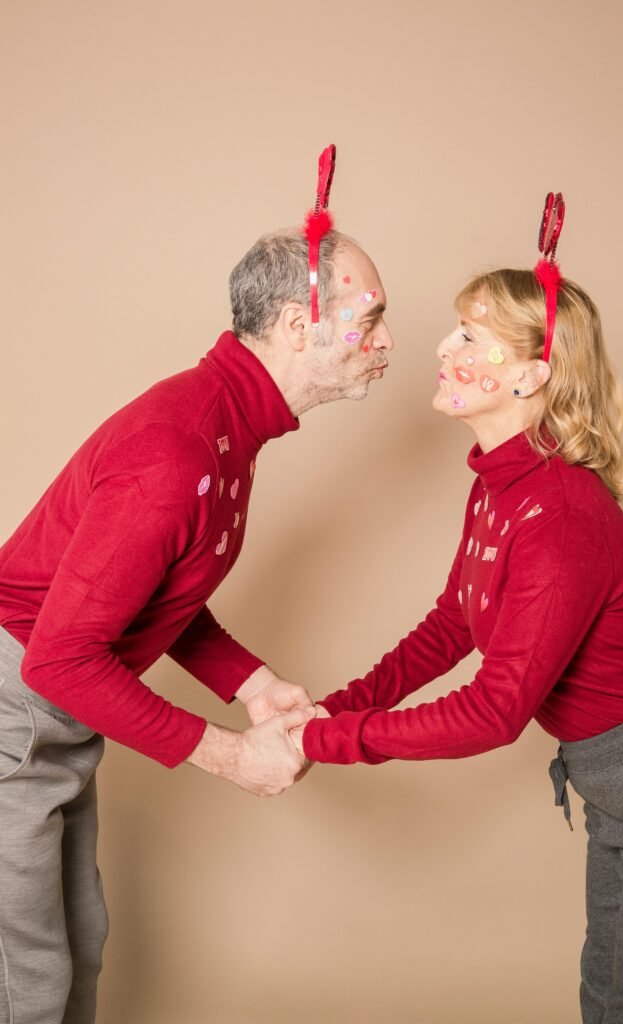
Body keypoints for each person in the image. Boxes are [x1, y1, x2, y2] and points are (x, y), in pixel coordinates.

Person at [0, 146, 394, 1024]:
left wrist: (255, 686)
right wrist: (230, 755)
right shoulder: (179, 448)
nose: (385, 343)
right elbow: (58, 661)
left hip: (49, 715)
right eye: (369, 320)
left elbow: (155, 587)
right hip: (21, 706)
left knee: (76, 948)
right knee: (24, 981)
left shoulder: (227, 425)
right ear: (298, 324)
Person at [293, 197, 623, 1024]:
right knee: (610, 997)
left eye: (468, 337)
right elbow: (450, 627)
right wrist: (334, 710)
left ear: (528, 375)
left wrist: (325, 741)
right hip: (621, 780)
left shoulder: (562, 515)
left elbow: (495, 711)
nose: (439, 347)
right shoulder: (502, 485)